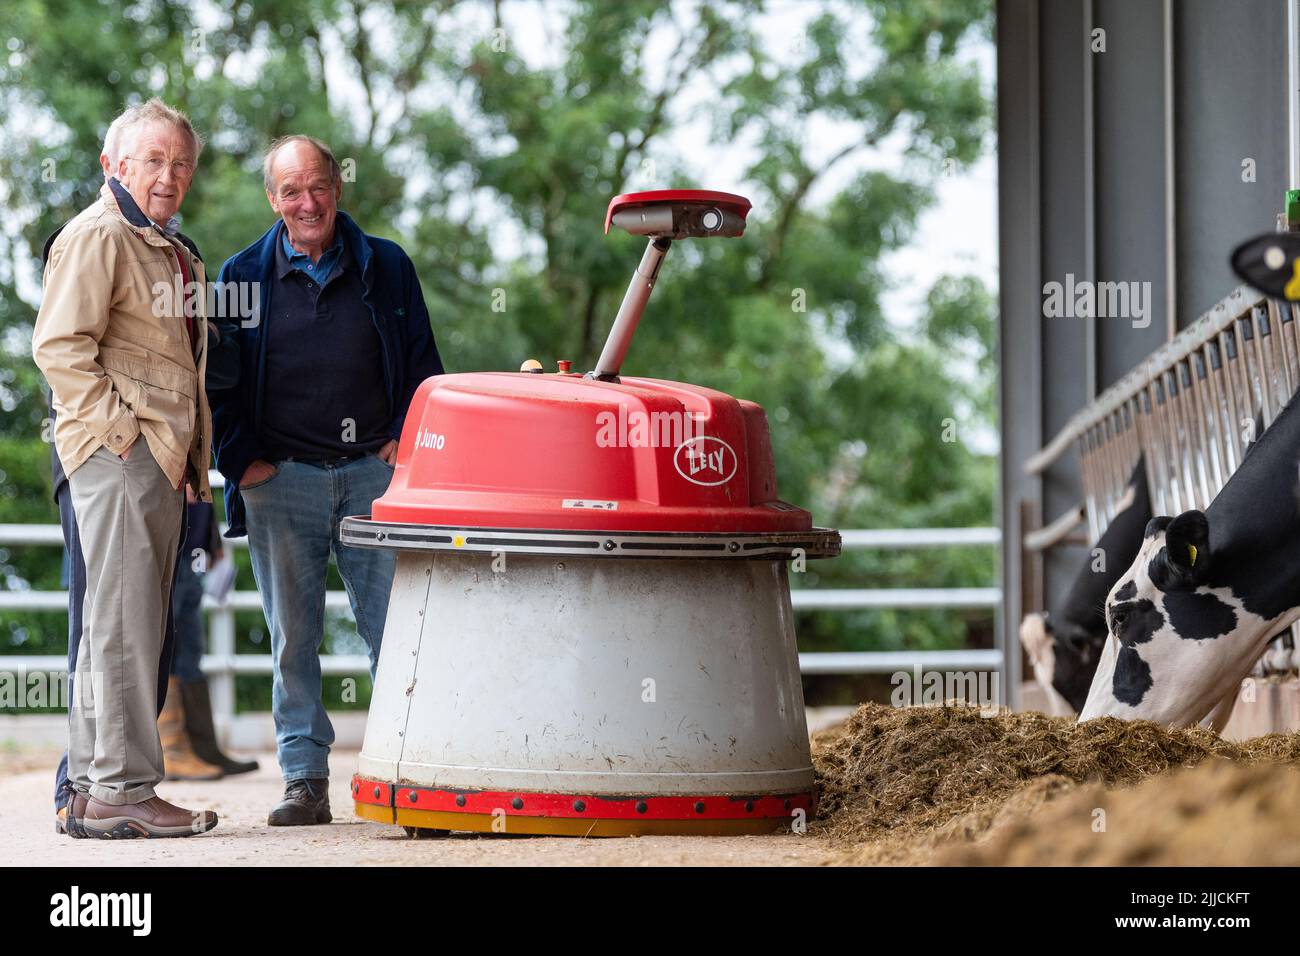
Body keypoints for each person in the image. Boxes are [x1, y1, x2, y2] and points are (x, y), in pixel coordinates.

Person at [210, 134, 443, 825]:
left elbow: (424, 364)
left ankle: (410, 773)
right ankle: (305, 781)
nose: (307, 202)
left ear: (337, 187)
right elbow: (216, 384)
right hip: (282, 481)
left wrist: (408, 445)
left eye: (318, 186)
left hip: (376, 474)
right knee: (292, 640)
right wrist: (238, 459)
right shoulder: (239, 275)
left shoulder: (387, 266)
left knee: (399, 631)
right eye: (291, 191)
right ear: (271, 199)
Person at [33, 98, 218, 839]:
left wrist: (188, 461)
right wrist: (123, 439)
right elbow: (58, 347)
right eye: (152, 160)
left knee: (119, 624)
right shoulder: (100, 234)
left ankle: (89, 789)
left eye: (179, 163)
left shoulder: (168, 247)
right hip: (119, 458)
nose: (168, 175)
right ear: (113, 164)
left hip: (156, 462)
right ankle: (123, 789)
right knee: (122, 629)